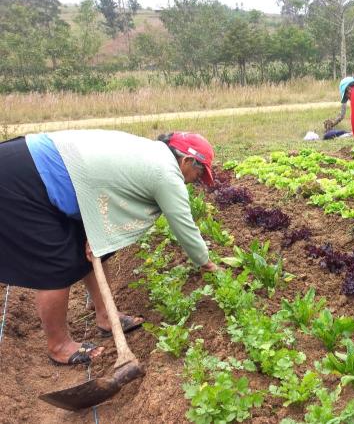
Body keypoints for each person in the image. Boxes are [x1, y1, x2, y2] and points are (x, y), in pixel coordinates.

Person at [0, 130, 219, 365]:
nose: (196, 180)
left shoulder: (150, 154)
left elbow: (102, 183)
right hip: (23, 176)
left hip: (31, 164)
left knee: (93, 248)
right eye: (199, 172)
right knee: (56, 263)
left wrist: (95, 231)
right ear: (186, 160)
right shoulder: (165, 173)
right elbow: (183, 225)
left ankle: (106, 315)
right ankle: (58, 345)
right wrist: (206, 263)